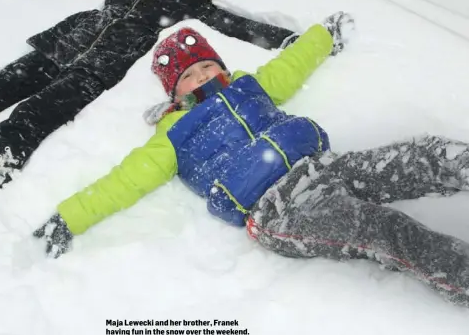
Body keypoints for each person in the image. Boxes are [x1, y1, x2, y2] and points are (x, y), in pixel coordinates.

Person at [33, 20, 469, 308]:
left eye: (206, 66)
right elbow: (122, 183)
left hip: (322, 165)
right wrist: (69, 218)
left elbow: (290, 66)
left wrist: (321, 36)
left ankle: (460, 163)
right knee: (380, 228)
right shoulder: (172, 134)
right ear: (174, 92)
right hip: (277, 209)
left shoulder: (248, 86)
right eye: (189, 75)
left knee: (413, 157)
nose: (202, 75)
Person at [0, 0, 306, 263]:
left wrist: (293, 40)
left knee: (27, 120)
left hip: (95, 72)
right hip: (61, 45)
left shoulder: (193, 6)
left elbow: (239, 26)